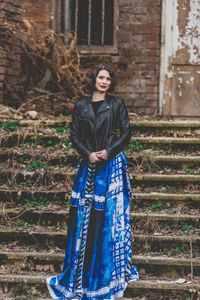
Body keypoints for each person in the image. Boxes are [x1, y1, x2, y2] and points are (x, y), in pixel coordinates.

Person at [46, 62, 139, 299]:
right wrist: (87, 153)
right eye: (101, 77)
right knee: (85, 218)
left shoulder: (117, 104)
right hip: (87, 166)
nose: (104, 81)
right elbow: (74, 135)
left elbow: (126, 133)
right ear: (93, 79)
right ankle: (81, 273)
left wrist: (108, 151)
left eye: (108, 78)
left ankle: (109, 274)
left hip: (112, 164)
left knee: (109, 219)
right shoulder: (81, 105)